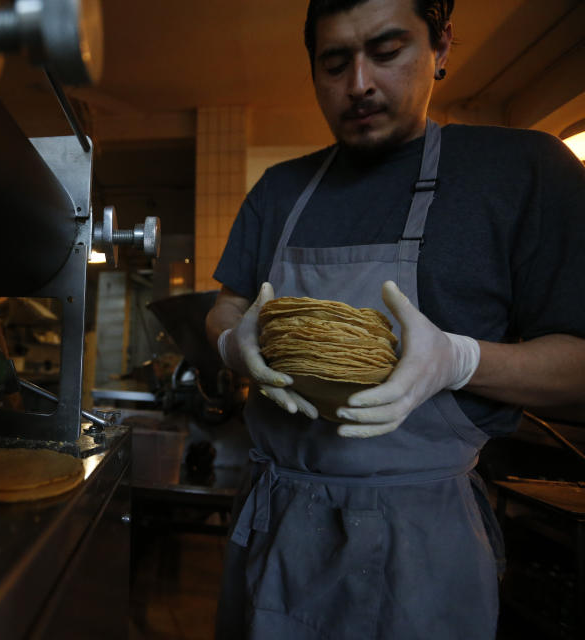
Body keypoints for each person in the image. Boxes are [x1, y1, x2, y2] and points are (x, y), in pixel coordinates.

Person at [205, 0, 585, 638]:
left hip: (423, 543)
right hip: (276, 525)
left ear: (440, 48)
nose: (358, 84)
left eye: (387, 52)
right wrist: (231, 344)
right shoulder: (279, 190)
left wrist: (460, 360)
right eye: (333, 63)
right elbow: (229, 304)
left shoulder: (525, 171)